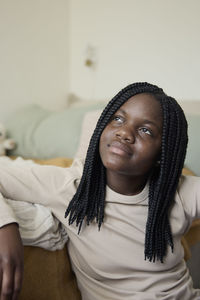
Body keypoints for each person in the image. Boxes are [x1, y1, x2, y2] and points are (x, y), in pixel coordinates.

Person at [0, 82, 199, 300]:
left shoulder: (181, 191)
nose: (124, 132)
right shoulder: (70, 185)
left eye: (145, 130)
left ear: (163, 153)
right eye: (118, 119)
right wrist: (5, 225)